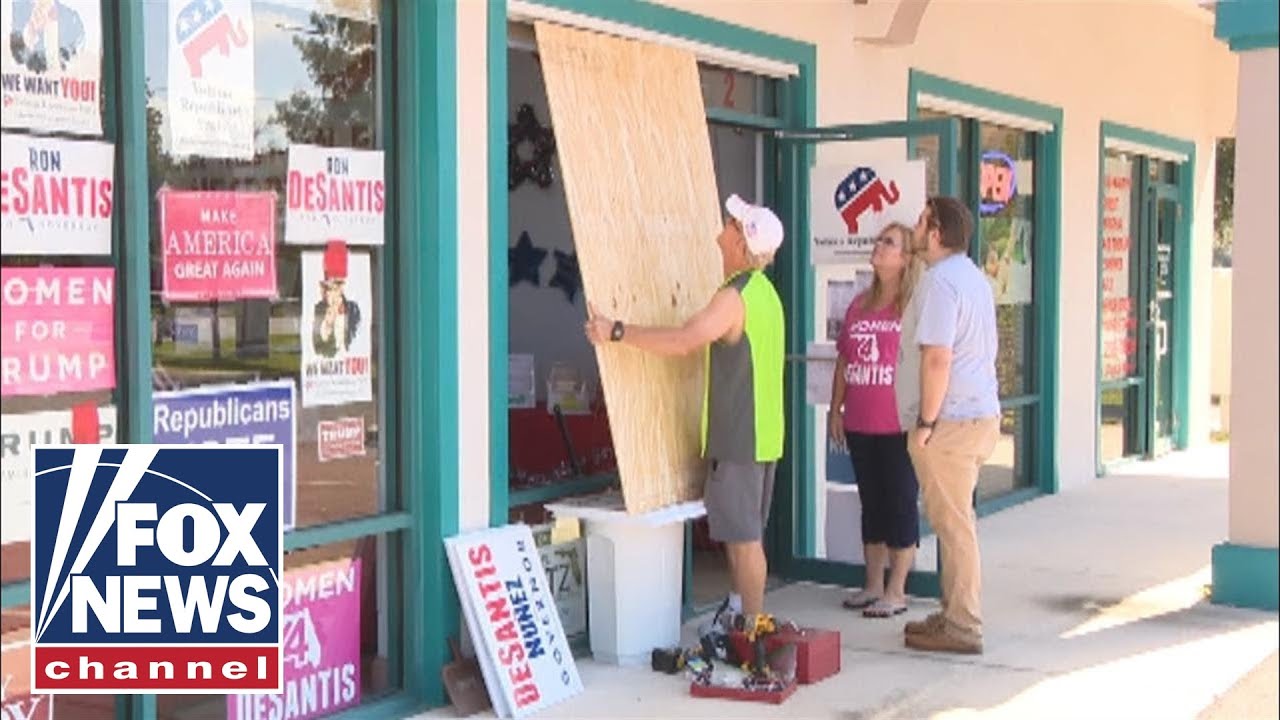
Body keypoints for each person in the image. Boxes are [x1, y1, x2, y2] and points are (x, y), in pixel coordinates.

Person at [584, 194, 785, 628]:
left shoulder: (737, 297)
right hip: (762, 433)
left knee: (745, 538)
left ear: (740, 239)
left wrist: (616, 331)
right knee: (741, 534)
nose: (725, 224)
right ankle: (744, 616)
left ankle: (754, 629)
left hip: (741, 435)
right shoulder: (766, 293)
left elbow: (683, 341)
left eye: (733, 222)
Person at [898, 196, 1001, 655]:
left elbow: (938, 357)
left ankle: (962, 624)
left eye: (921, 221)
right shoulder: (973, 277)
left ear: (936, 231)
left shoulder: (941, 283)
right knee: (955, 521)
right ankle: (954, 612)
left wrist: (925, 422)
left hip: (952, 422)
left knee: (955, 526)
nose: (915, 228)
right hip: (976, 415)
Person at [828, 222, 923, 619]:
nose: (878, 247)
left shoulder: (912, 306)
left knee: (900, 502)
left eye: (889, 243)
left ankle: (897, 590)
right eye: (879, 241)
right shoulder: (858, 304)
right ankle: (872, 584)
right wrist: (836, 408)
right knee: (872, 504)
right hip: (861, 420)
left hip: (897, 423)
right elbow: (845, 359)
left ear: (904, 258)